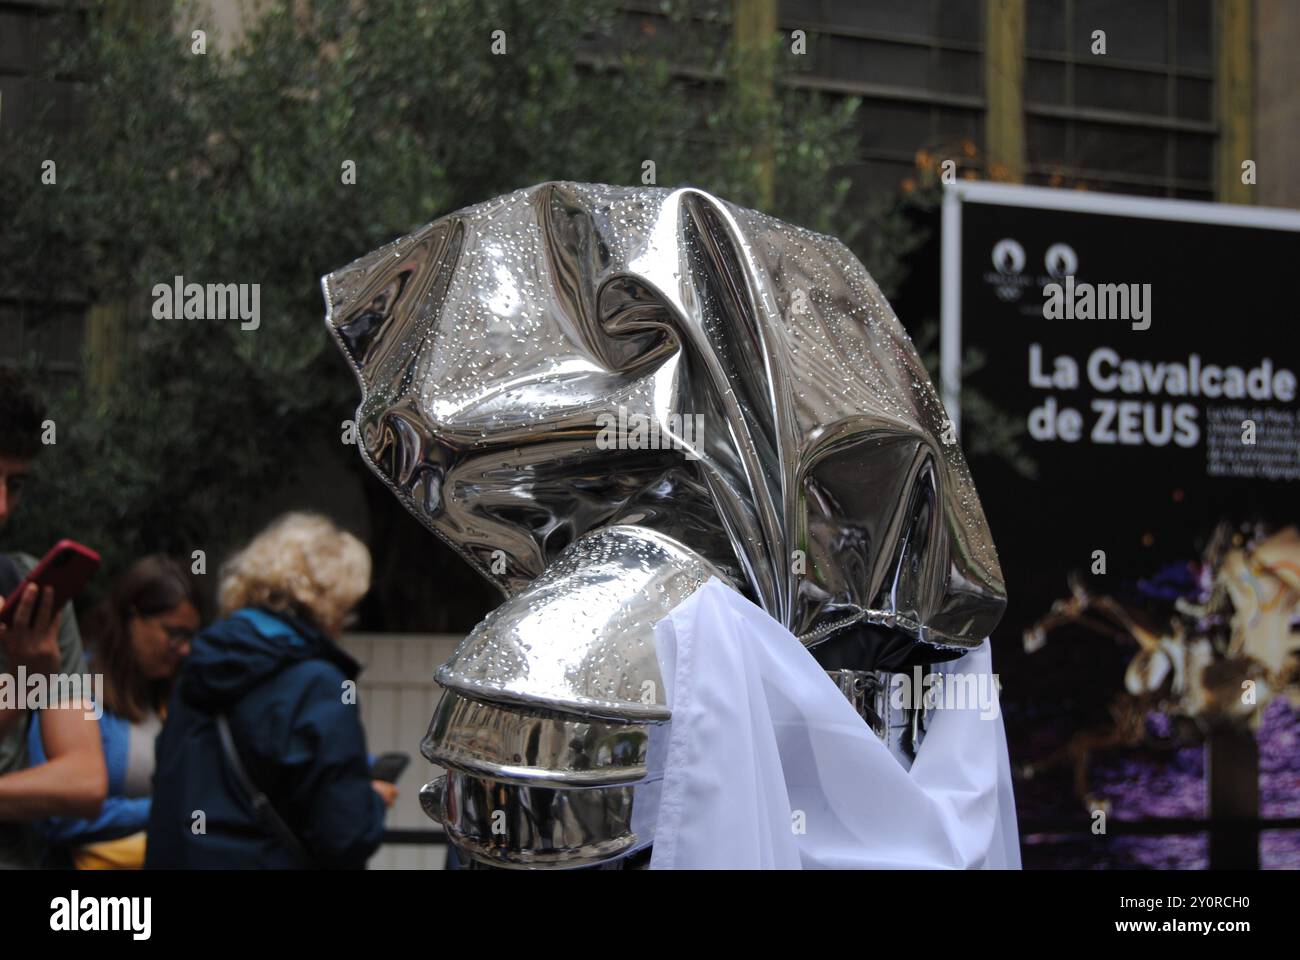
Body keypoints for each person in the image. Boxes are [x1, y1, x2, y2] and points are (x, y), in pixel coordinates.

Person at [146, 512, 393, 868]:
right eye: (348, 608)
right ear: (332, 601)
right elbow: (344, 836)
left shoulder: (198, 668)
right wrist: (370, 801)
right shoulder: (317, 685)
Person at [28, 555, 200, 868]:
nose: (185, 648)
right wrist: (165, 809)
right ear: (132, 619)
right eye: (174, 633)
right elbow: (56, 816)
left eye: (190, 636)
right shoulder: (74, 694)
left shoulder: (173, 698)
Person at [0, 370, 107, 868]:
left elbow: (85, 781)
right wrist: (24, 683)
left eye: (14, 484)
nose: (2, 507)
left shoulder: (34, 597)